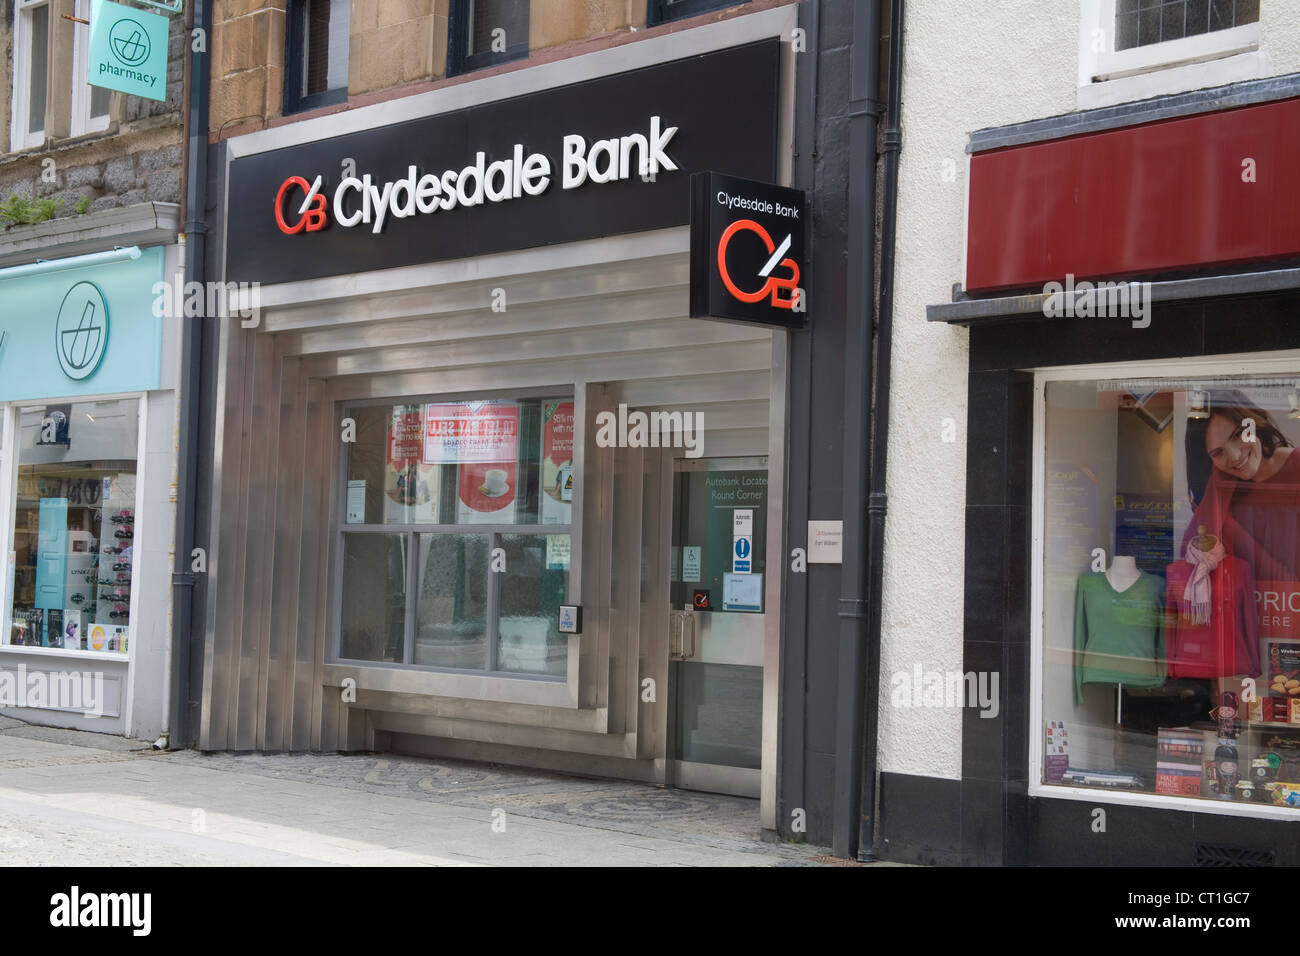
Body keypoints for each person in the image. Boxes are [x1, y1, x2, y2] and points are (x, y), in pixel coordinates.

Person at [1183, 389, 1300, 582]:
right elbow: (1190, 552)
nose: (1235, 456)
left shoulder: (1296, 468)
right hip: (1241, 608)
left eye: (1239, 435)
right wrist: (1217, 481)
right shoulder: (1223, 485)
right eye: (1218, 453)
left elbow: (1286, 578)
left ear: (1256, 425)